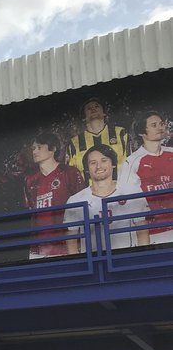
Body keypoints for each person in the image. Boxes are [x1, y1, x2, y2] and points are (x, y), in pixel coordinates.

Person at [64, 144, 150, 253]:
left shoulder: (132, 191)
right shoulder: (75, 200)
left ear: (113, 164)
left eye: (104, 160)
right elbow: (71, 237)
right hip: (94, 262)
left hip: (127, 258)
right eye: (93, 163)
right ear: (86, 169)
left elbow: (142, 228)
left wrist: (143, 257)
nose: (98, 166)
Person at [23, 132, 84, 258]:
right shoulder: (30, 180)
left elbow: (82, 207)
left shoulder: (70, 172)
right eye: (33, 148)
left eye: (39, 147)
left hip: (68, 244)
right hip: (41, 246)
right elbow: (31, 212)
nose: (35, 151)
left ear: (53, 148)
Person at [118, 111, 173, 243]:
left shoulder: (171, 153)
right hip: (156, 231)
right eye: (154, 125)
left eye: (161, 124)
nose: (160, 128)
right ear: (142, 132)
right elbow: (128, 200)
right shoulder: (131, 162)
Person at [66, 97, 130, 180]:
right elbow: (71, 173)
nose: (93, 109)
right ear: (84, 117)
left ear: (104, 113)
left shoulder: (120, 133)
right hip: (89, 191)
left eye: (96, 106)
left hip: (121, 188)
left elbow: (132, 162)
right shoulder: (74, 142)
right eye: (89, 108)